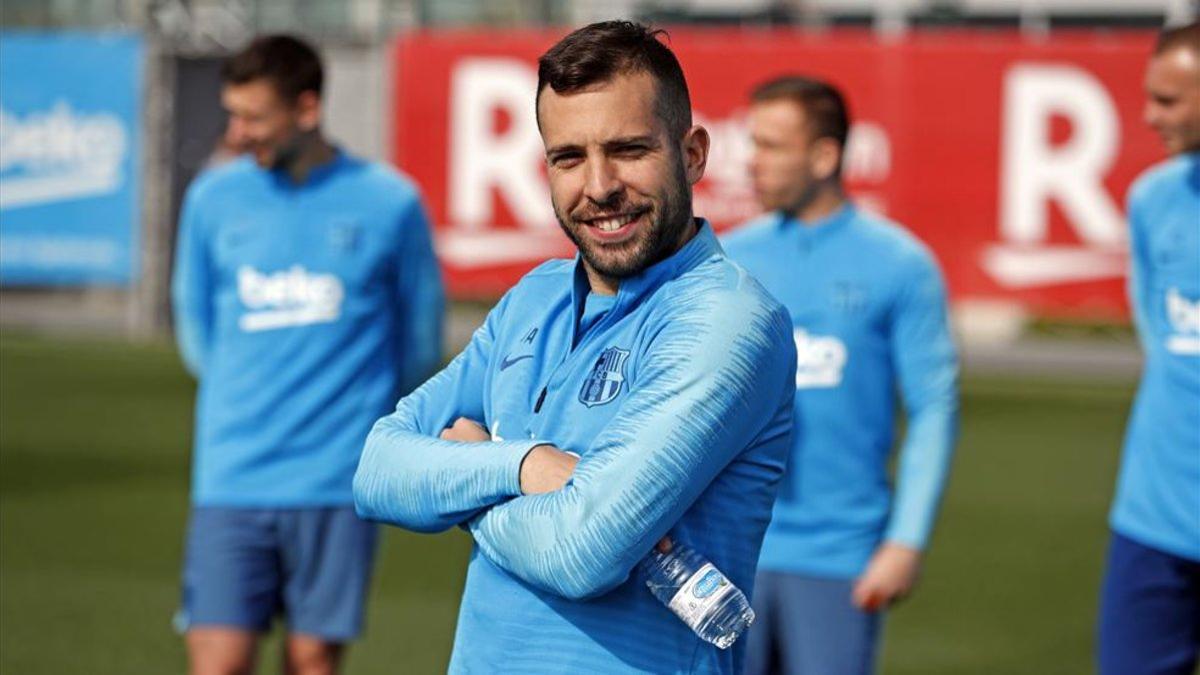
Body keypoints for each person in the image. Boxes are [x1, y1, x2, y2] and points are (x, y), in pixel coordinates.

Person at [352, 20, 796, 674]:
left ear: (694, 153)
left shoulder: (727, 320)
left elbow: (583, 550)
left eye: (628, 149)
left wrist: (466, 479)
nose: (599, 185)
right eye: (569, 158)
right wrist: (521, 466)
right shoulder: (534, 298)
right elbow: (376, 470)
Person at [171, 34, 444, 675]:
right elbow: (196, 326)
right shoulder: (212, 200)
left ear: (307, 108)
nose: (237, 133)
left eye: (254, 117)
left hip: (334, 479)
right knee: (218, 661)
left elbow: (420, 339)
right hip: (232, 471)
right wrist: (252, 396)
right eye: (231, 114)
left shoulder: (391, 202)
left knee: (313, 659)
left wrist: (352, 422)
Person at [722, 77, 960, 675]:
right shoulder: (727, 259)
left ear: (825, 156)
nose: (752, 162)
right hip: (728, 549)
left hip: (838, 556)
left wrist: (905, 540)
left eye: (771, 146)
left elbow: (934, 407)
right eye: (752, 143)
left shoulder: (900, 264)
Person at [1098, 21, 1200, 675]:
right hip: (1151, 519)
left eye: (1168, 100)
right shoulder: (1152, 199)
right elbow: (1160, 343)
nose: (1147, 115)